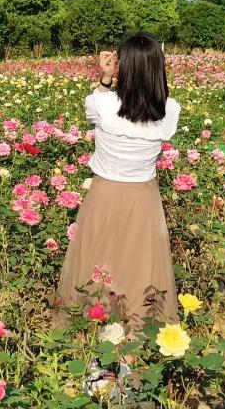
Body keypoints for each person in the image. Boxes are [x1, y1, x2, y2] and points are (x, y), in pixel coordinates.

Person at [56, 32, 181, 327]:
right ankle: (137, 332)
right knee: (138, 267)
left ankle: (91, 330)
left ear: (125, 67)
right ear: (157, 68)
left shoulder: (105, 104)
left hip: (104, 194)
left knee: (96, 264)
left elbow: (92, 107)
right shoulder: (169, 110)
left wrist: (105, 78)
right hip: (144, 199)